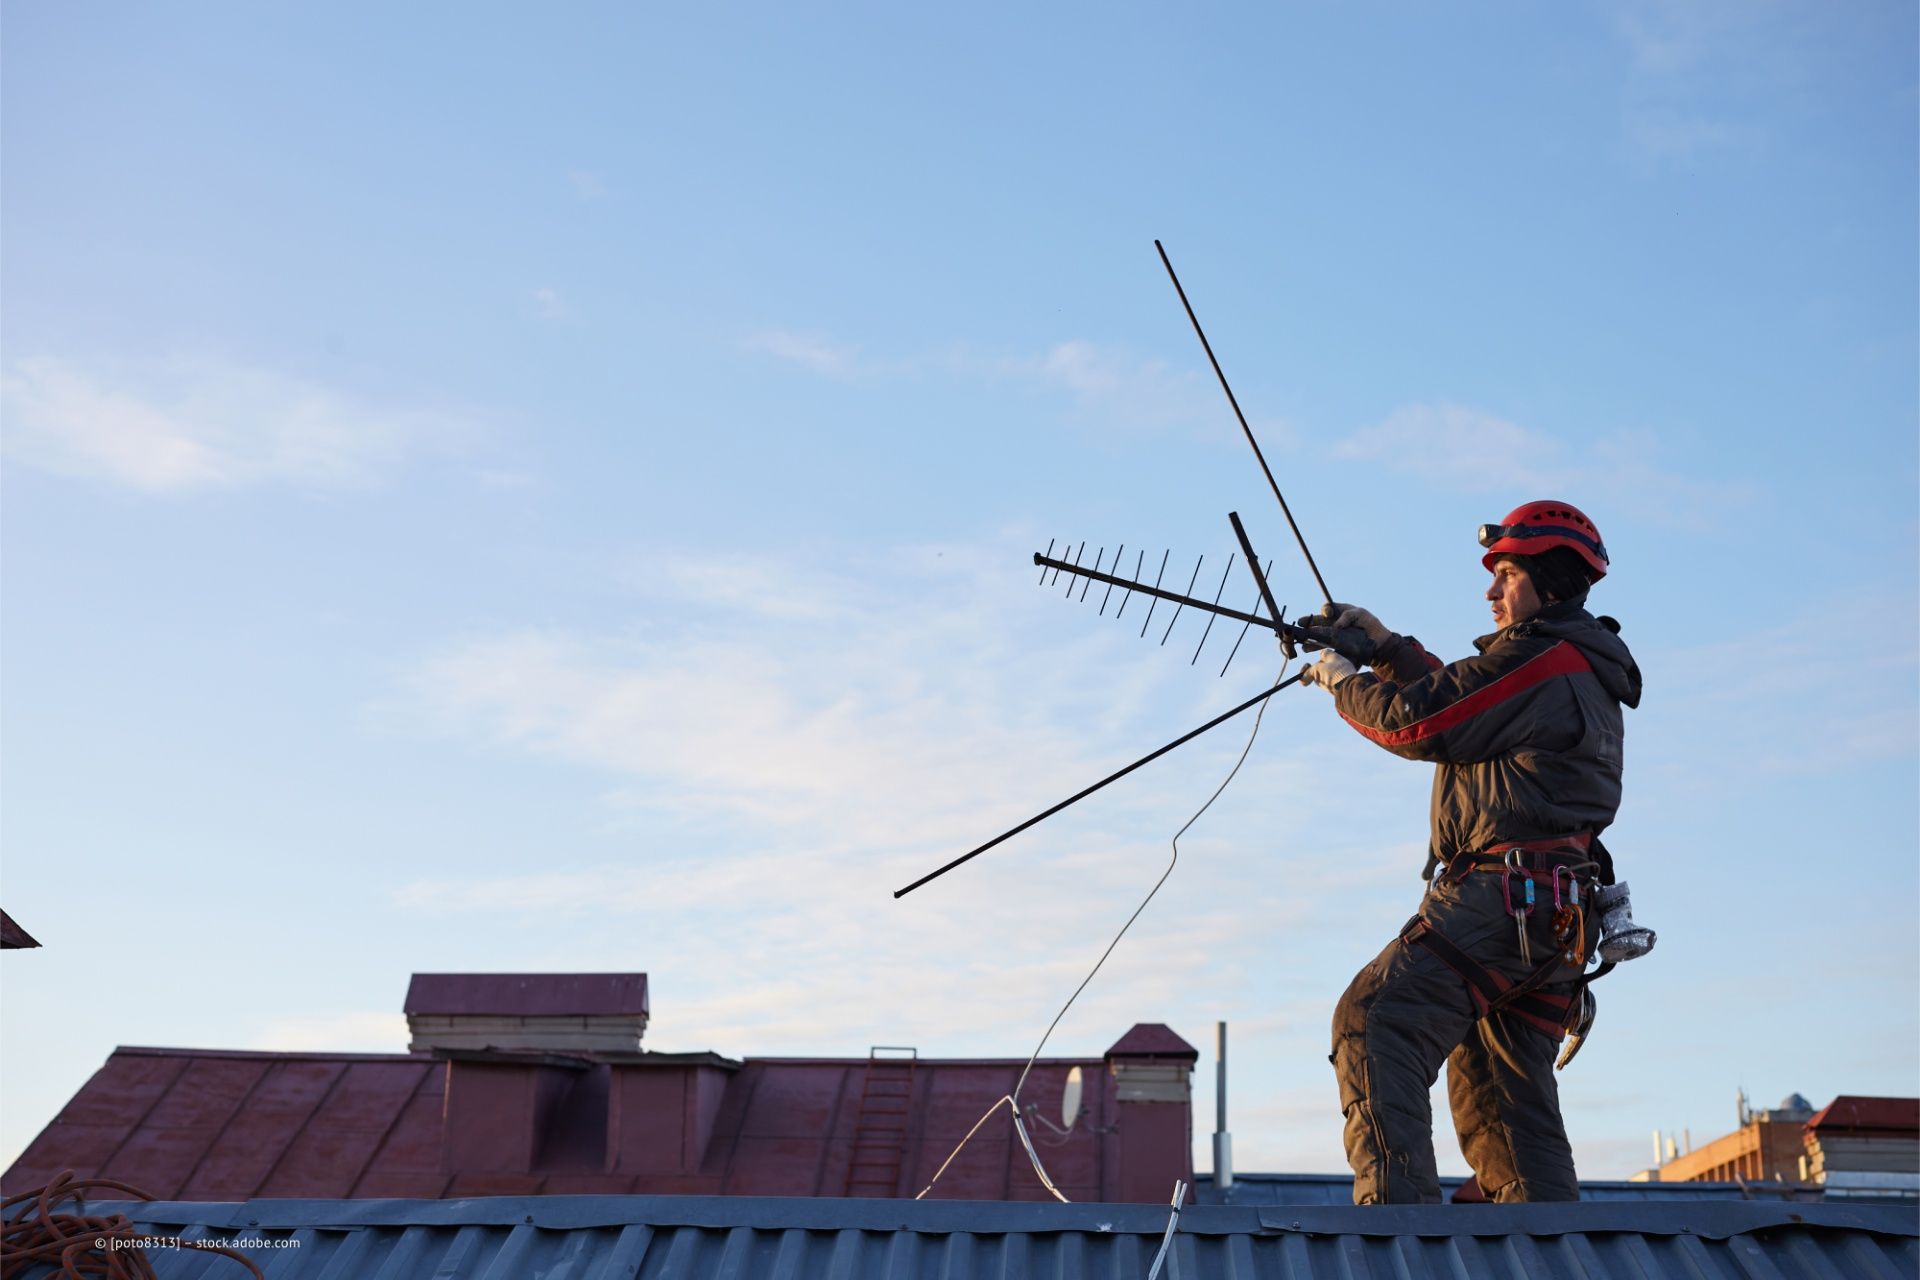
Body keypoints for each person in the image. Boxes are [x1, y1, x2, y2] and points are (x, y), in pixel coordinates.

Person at [1297, 500, 1642, 1204]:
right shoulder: (1568, 665)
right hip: (1550, 920)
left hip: (1500, 903)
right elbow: (1460, 700)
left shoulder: (1545, 659)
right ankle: (1548, 1252)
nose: (1491, 592)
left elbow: (1420, 720)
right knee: (1500, 1097)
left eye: (1507, 574)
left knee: (1376, 1019)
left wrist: (1341, 680)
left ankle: (1398, 1240)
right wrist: (1388, 648)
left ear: (1548, 580)